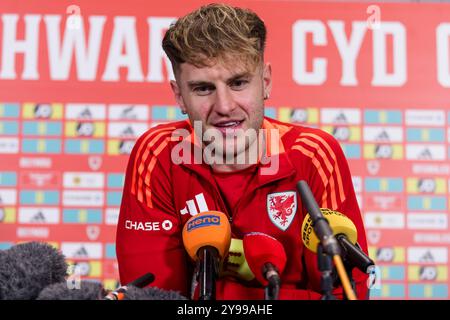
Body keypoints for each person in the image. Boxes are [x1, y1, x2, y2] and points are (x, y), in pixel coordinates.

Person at [116, 3, 369, 300]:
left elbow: (346, 294)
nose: (224, 107)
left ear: (265, 82)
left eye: (238, 83)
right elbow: (151, 297)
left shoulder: (314, 155)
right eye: (202, 88)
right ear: (179, 96)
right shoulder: (156, 154)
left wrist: (225, 294)